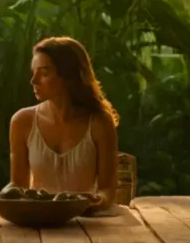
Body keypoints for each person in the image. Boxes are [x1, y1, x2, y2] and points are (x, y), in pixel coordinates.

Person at [8, 36, 119, 214]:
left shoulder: (99, 123)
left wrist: (100, 200)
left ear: (69, 75)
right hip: (38, 221)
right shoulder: (22, 121)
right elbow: (17, 185)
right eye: (34, 72)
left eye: (44, 73)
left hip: (86, 220)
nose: (34, 81)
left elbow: (107, 189)